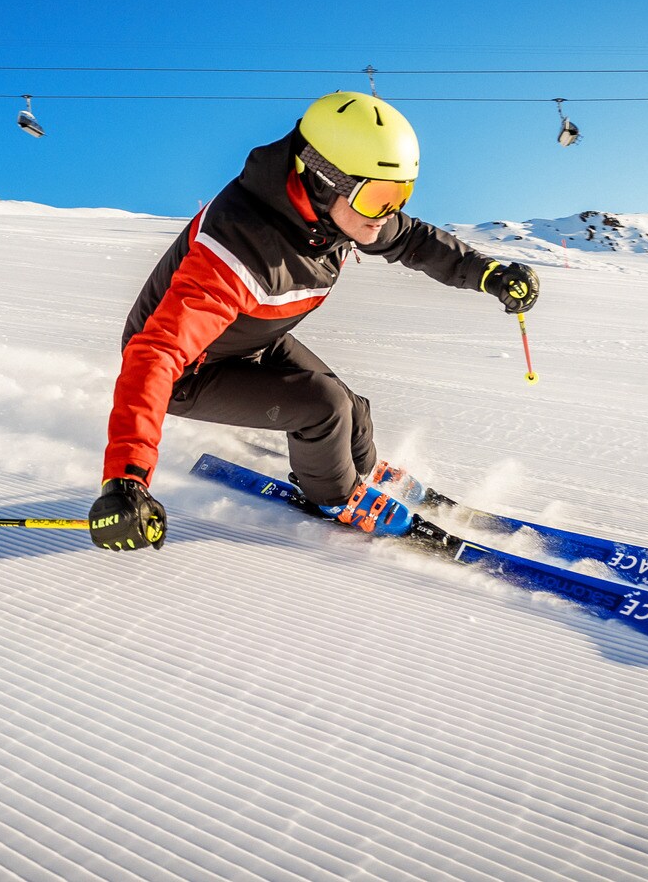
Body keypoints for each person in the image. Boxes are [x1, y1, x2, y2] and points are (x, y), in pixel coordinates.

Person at [87, 91, 540, 551]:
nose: (387, 216)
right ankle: (334, 497)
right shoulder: (238, 249)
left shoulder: (338, 215)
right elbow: (156, 354)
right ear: (324, 182)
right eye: (380, 198)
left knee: (353, 409)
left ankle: (360, 470)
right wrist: (126, 480)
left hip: (249, 338)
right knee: (323, 407)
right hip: (190, 370)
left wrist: (489, 274)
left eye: (399, 195)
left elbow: (414, 240)